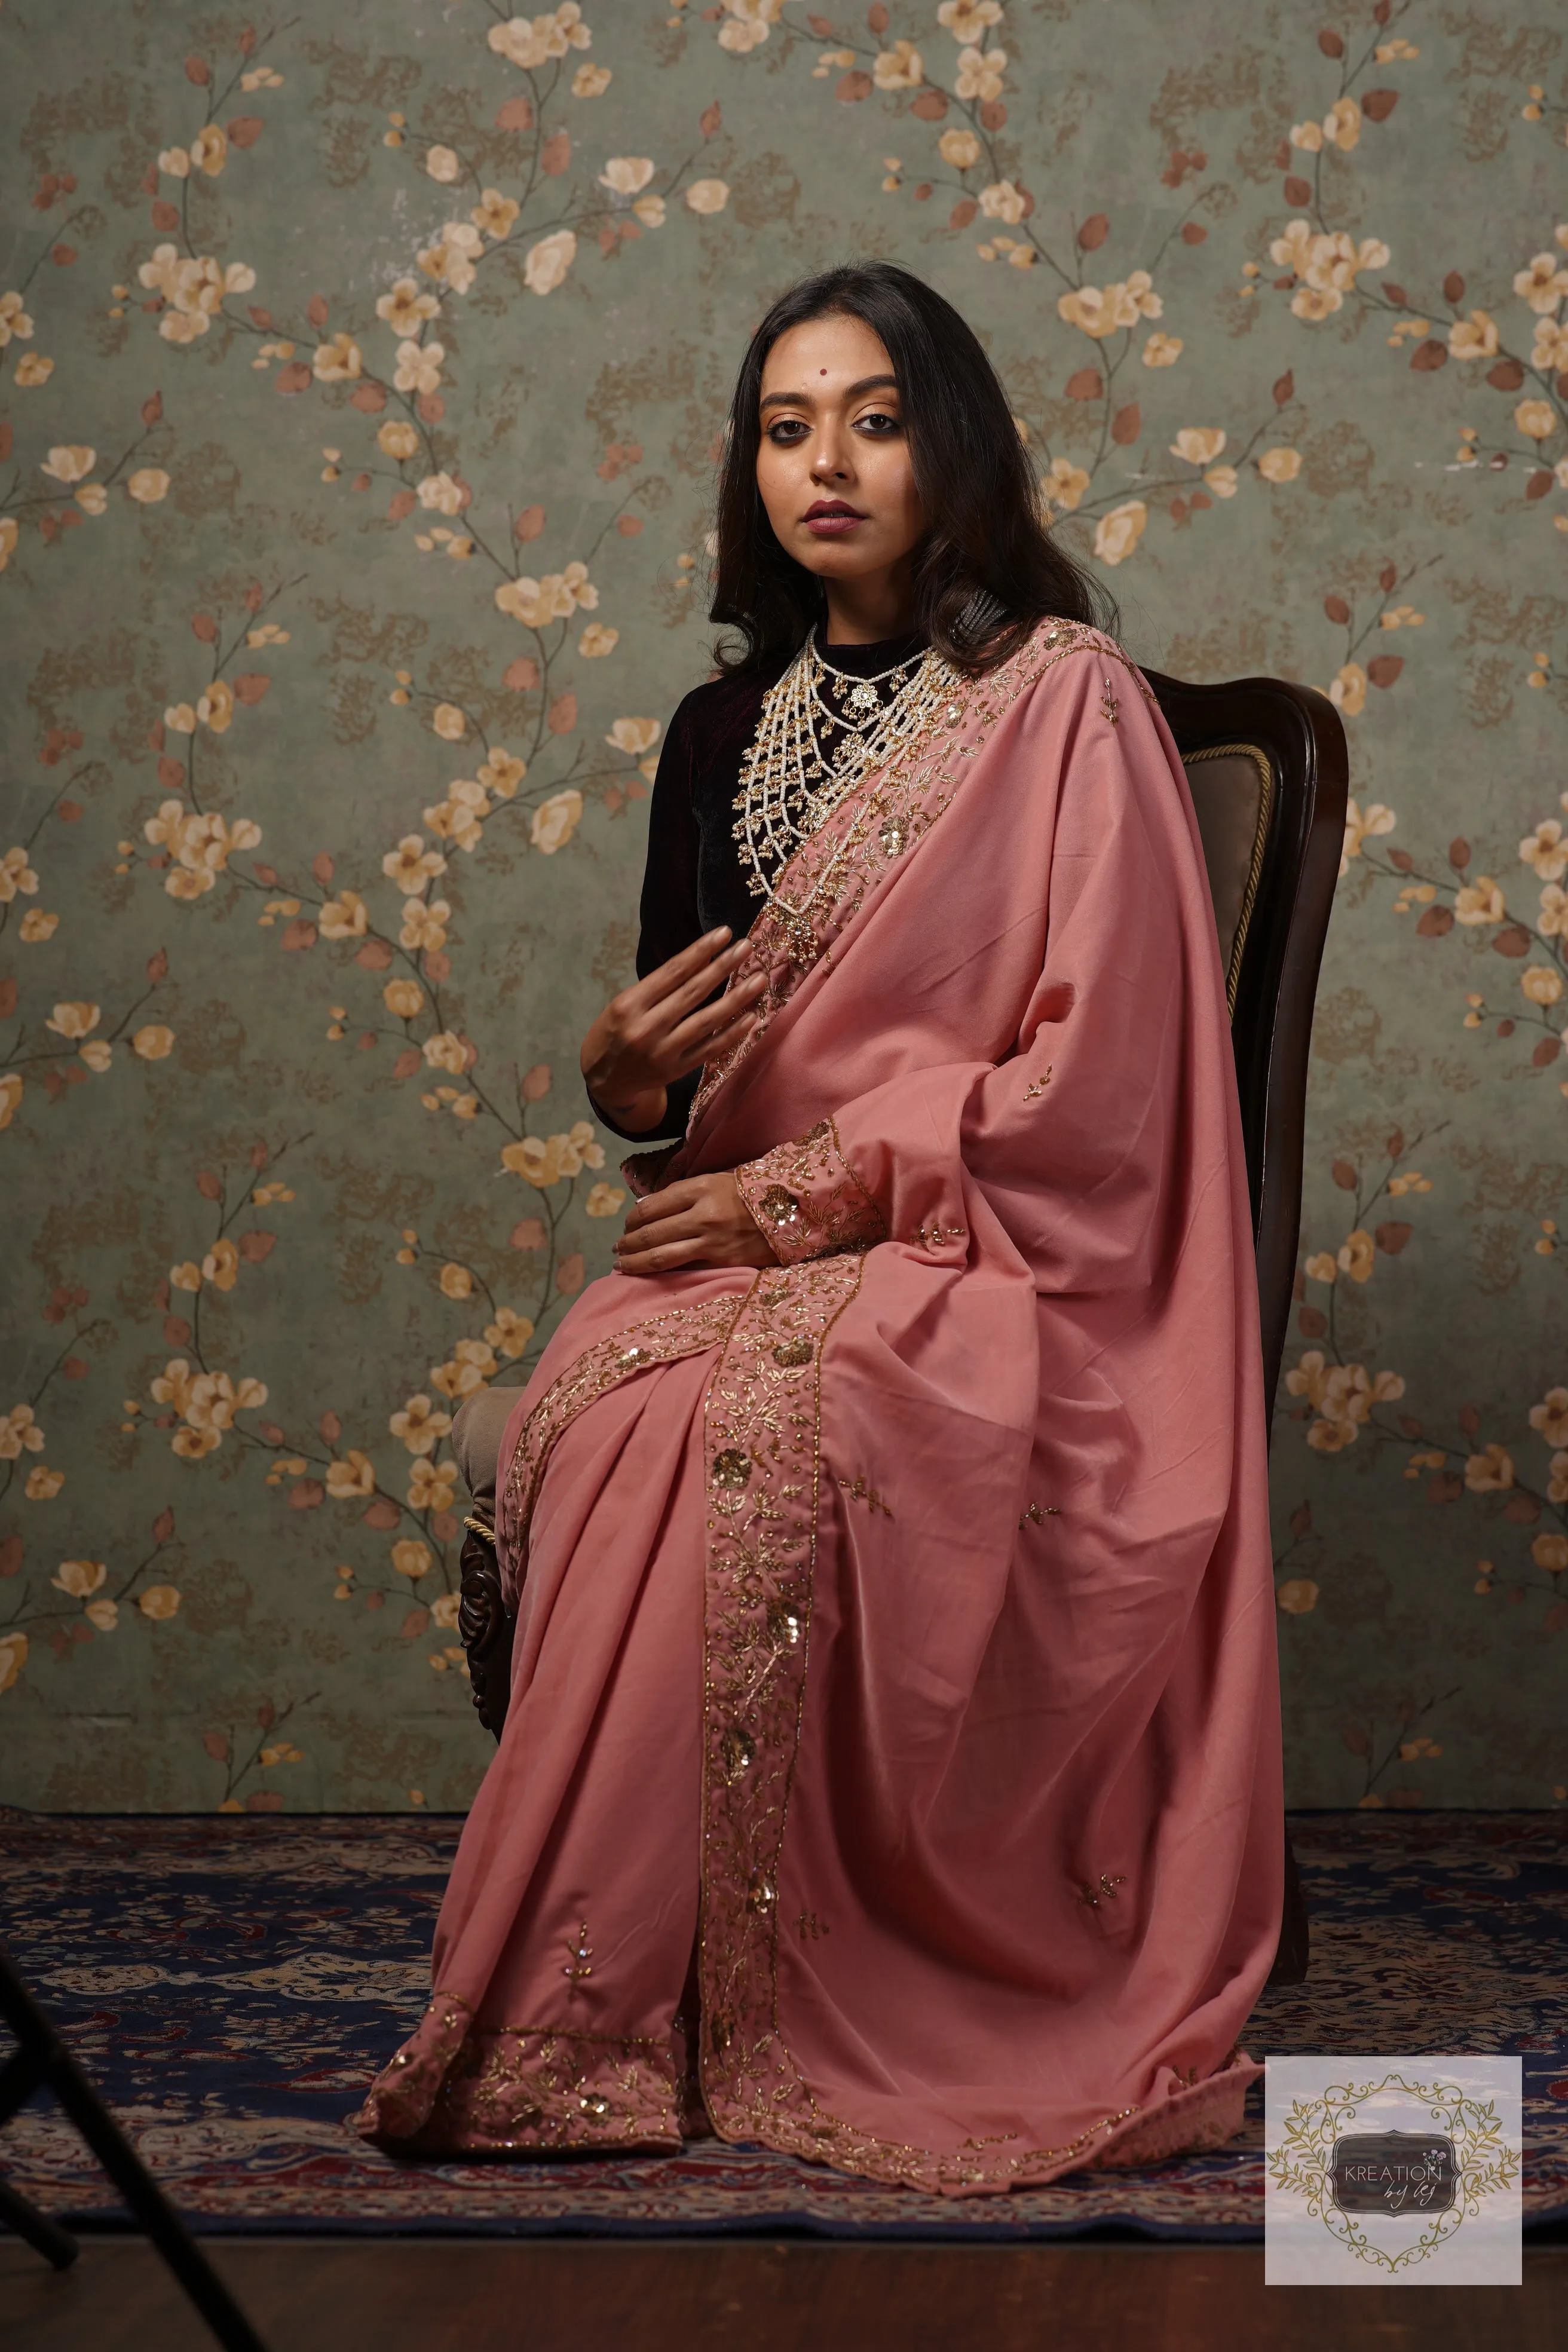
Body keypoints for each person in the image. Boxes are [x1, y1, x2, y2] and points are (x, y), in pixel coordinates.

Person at [356, 261, 1285, 2195]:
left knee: (748, 1427)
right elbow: (692, 1092)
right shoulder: (718, 736)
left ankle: (801, 1976)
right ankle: (619, 1992)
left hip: (1004, 1257)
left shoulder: (1063, 703)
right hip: (749, 1240)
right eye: (787, 427)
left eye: (873, 416)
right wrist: (621, 1083)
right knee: (616, 1406)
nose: (828, 463)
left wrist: (824, 1190)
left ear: (955, 450)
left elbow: (1099, 1079)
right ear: (750, 470)